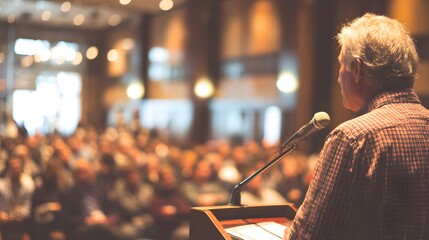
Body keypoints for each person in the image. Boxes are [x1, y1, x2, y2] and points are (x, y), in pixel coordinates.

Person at [284, 13, 429, 239]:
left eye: (342, 64)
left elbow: (309, 236)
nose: (338, 77)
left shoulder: (353, 137)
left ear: (357, 69)